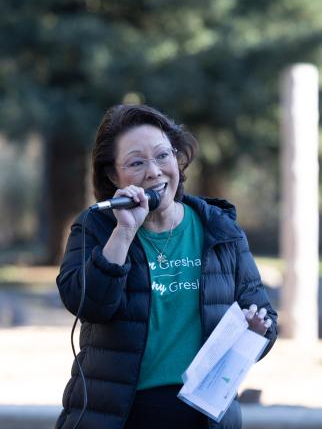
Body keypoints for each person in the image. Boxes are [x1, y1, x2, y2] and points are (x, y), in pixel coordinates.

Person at [55, 104, 278, 429]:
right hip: (117, 418)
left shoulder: (220, 229)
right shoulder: (96, 228)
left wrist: (255, 332)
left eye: (163, 155)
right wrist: (124, 232)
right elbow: (88, 305)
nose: (154, 171)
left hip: (205, 418)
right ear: (113, 175)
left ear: (177, 159)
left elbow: (266, 320)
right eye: (136, 162)